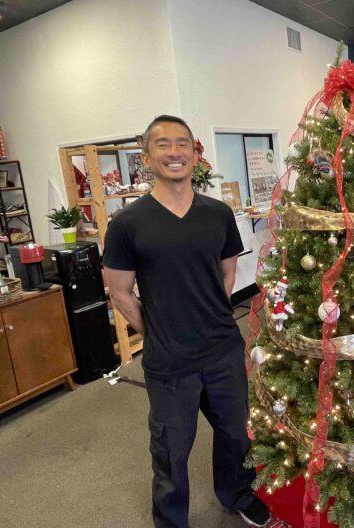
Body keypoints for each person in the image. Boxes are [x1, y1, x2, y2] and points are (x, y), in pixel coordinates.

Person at [103, 115, 270, 528]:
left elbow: (227, 273)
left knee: (236, 434)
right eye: (163, 144)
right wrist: (157, 331)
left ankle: (237, 493)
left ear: (195, 155)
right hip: (170, 361)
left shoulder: (218, 213)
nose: (174, 152)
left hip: (222, 349)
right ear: (146, 157)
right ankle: (171, 520)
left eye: (183, 144)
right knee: (171, 450)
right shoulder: (127, 223)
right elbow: (119, 292)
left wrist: (210, 312)